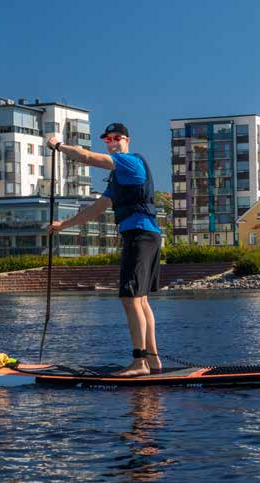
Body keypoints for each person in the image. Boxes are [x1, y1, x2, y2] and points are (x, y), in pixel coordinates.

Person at [46, 123, 162, 377]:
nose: (111, 142)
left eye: (116, 138)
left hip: (140, 235)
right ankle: (152, 360)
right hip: (145, 235)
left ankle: (139, 362)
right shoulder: (118, 177)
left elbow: (85, 156)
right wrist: (62, 225)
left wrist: (57, 145)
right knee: (140, 299)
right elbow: (95, 210)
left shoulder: (129, 162)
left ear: (127, 140)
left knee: (129, 297)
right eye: (107, 140)